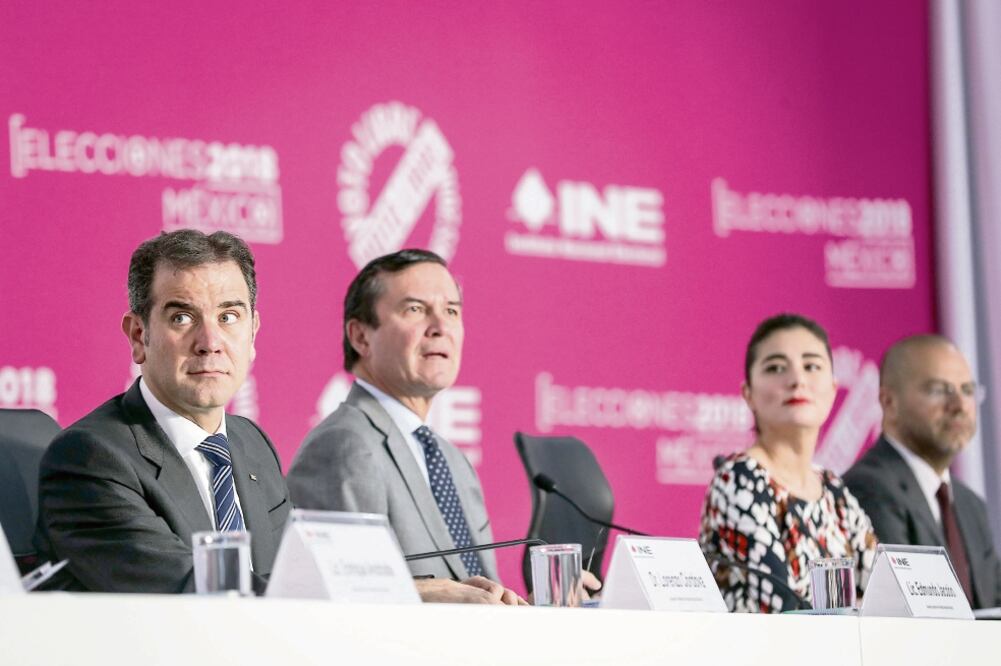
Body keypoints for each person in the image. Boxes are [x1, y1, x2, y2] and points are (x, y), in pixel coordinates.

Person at [34, 229, 290, 592]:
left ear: (253, 334)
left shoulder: (253, 443)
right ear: (139, 336)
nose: (210, 343)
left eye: (229, 317)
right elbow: (190, 590)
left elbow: (290, 575)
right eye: (182, 318)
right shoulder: (90, 459)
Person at [288, 249, 538, 604]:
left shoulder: (453, 461)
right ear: (360, 337)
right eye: (416, 310)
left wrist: (544, 606)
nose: (440, 327)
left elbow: (483, 594)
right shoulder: (342, 446)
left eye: (451, 311)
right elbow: (342, 592)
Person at [699, 313, 878, 612]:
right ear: (748, 394)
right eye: (776, 368)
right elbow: (782, 611)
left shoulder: (833, 488)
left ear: (833, 389)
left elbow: (883, 599)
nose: (797, 380)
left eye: (812, 366)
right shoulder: (740, 478)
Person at [844, 335, 1001, 609]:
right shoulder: (869, 487)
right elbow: (909, 612)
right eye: (939, 390)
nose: (959, 406)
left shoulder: (970, 504)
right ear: (889, 402)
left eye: (967, 390)